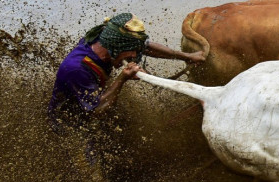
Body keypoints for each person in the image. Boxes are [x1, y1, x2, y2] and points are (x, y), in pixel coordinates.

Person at [48, 13, 205, 165]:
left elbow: (146, 47)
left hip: (92, 97)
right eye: (131, 54)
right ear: (115, 48)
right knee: (90, 166)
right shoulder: (76, 69)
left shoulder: (106, 38)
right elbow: (96, 111)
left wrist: (187, 57)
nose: (135, 56)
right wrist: (122, 78)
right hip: (73, 123)